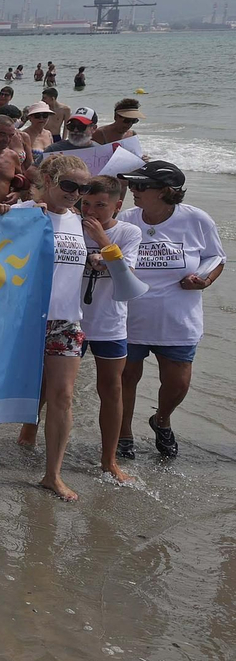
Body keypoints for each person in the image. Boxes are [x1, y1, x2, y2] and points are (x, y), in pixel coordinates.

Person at [119, 161, 225, 459]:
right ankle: (124, 433)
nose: (133, 191)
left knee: (177, 384)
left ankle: (161, 419)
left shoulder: (196, 219)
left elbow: (216, 257)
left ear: (165, 191)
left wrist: (203, 280)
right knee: (126, 378)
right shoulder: (126, 219)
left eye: (140, 186)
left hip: (177, 320)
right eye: (132, 185)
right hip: (130, 317)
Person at [6, 154, 92, 500]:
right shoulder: (24, 213)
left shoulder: (80, 220)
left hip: (66, 320)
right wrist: (1, 214)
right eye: (69, 185)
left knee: (63, 396)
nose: (75, 193)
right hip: (23, 318)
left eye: (82, 188)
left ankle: (52, 474)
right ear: (48, 180)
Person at [76, 175, 142, 483]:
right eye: (86, 204)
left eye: (100, 205)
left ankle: (109, 459)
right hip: (71, 319)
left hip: (109, 321)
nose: (91, 211)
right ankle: (29, 431)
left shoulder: (129, 232)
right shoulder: (71, 224)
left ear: (117, 205)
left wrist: (104, 242)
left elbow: (127, 276)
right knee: (52, 385)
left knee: (112, 389)